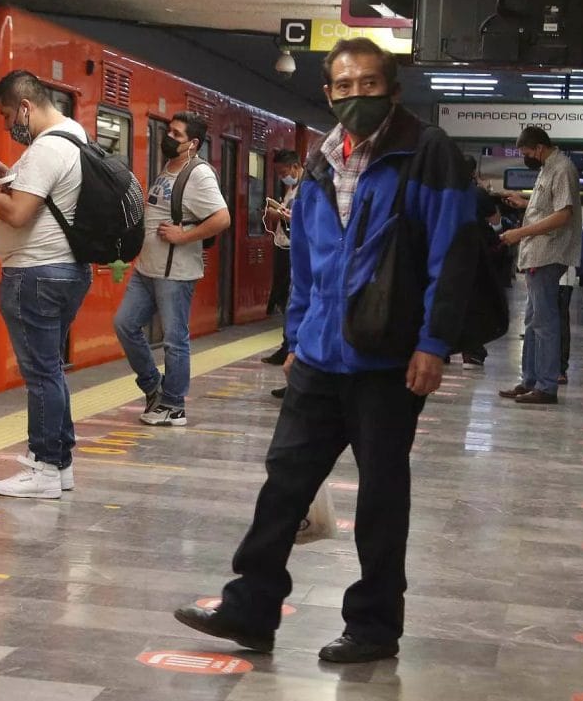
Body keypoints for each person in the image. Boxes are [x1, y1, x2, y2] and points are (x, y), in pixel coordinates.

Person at [173, 37, 475, 664]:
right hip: (319, 359)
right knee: (283, 484)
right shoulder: (321, 158)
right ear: (329, 92)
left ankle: (373, 626)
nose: (355, 96)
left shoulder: (425, 153)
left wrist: (434, 344)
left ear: (392, 90)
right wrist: (299, 335)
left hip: (389, 361)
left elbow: (453, 254)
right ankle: (250, 608)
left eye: (369, 84)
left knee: (382, 497)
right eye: (343, 86)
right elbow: (307, 259)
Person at [0, 69, 91, 499]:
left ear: (25, 106)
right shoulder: (75, 135)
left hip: (35, 273)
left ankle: (42, 467)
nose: (7, 125)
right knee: (52, 372)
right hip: (66, 271)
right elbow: (43, 198)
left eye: (8, 115)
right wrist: (9, 176)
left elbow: (19, 214)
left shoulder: (46, 149)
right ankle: (60, 465)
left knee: (42, 375)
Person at [113, 111, 230, 426]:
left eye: (176, 134)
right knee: (125, 324)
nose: (168, 137)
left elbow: (222, 218)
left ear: (192, 143)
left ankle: (174, 405)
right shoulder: (168, 168)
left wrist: (184, 235)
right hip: (147, 269)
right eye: (169, 131)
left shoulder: (199, 174)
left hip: (175, 273)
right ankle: (153, 386)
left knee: (175, 339)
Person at [498, 127, 581, 405]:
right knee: (533, 321)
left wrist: (520, 233)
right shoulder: (547, 167)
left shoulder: (562, 168)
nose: (526, 158)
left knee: (544, 322)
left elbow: (562, 215)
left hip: (547, 255)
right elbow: (547, 209)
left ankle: (546, 386)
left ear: (539, 147)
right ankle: (530, 380)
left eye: (527, 153)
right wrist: (525, 204)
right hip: (537, 254)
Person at [459, 155, 503, 370]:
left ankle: (440, 351)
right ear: (474, 173)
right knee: (474, 302)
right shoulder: (478, 193)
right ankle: (473, 351)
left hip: (445, 254)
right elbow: (496, 222)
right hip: (476, 254)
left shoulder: (443, 190)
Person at [262, 150, 300, 371]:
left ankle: (290, 347)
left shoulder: (306, 188)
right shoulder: (291, 189)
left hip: (292, 249)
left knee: (289, 299)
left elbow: (302, 219)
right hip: (283, 246)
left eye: (284, 172)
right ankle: (287, 346)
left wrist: (283, 216)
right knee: (284, 298)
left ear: (295, 167)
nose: (281, 176)